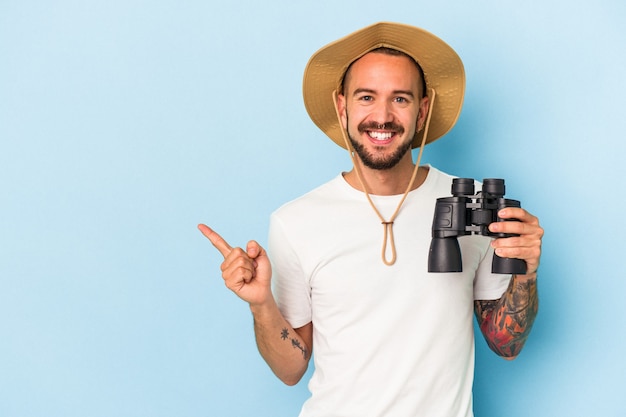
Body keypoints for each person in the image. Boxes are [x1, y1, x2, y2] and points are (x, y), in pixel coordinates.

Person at [199, 22, 543, 417]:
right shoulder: (296, 222)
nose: (382, 116)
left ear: (422, 110)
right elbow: (291, 369)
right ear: (342, 107)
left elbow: (507, 345)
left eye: (400, 99)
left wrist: (526, 271)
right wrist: (261, 304)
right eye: (366, 97)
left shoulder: (471, 209)